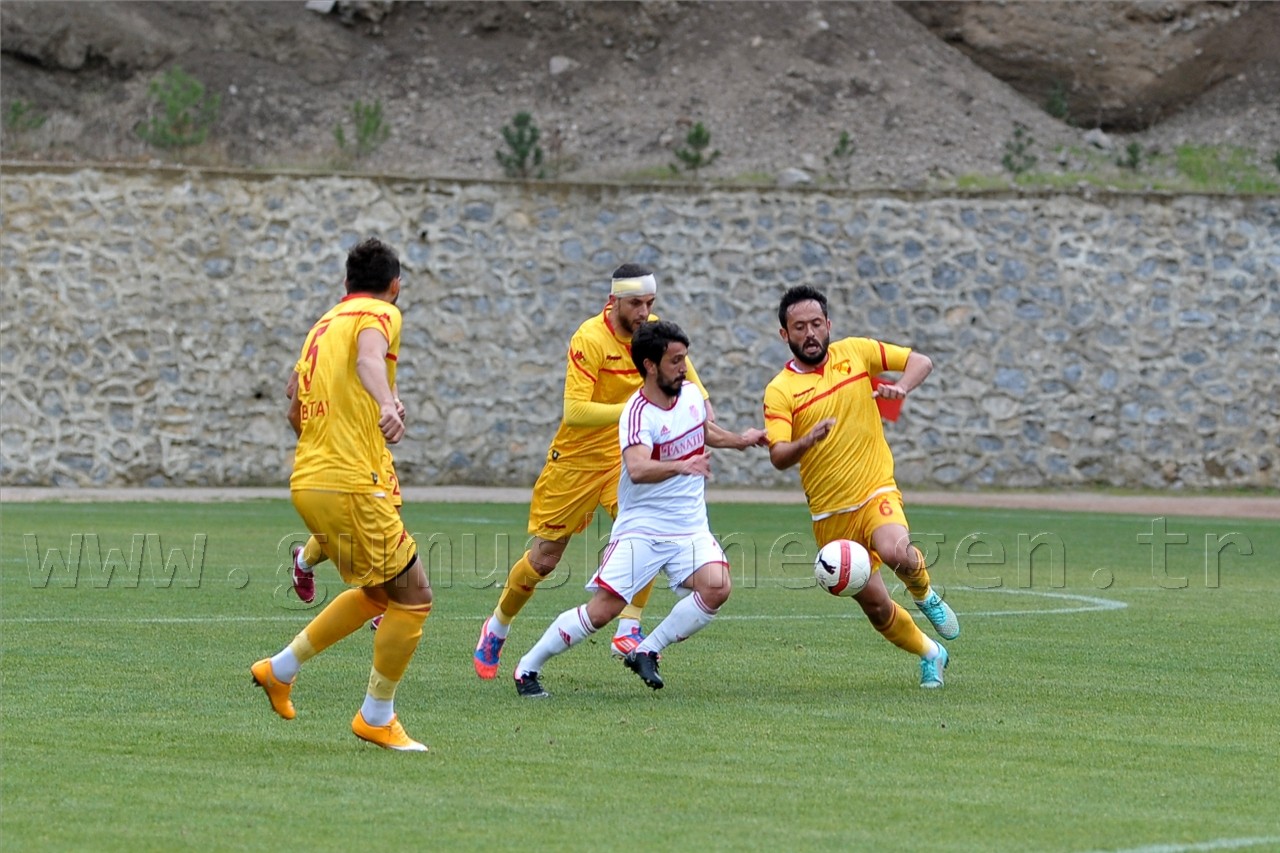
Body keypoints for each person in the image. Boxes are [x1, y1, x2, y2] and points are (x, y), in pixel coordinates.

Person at [473, 264, 761, 679]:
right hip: (575, 461)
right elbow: (574, 411)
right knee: (544, 559)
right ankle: (497, 625)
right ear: (614, 302)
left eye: (650, 303)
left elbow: (695, 391)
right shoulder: (589, 339)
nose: (645, 312)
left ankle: (628, 628)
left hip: (625, 460)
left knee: (643, 529)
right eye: (636, 304)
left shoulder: (657, 336)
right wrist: (635, 411)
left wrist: (712, 422)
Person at [251, 237, 433, 751]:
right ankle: (376, 716)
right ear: (394, 285)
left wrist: (328, 450)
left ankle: (279, 670)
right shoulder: (380, 314)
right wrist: (386, 404)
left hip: (309, 480)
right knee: (415, 599)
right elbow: (369, 358)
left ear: (345, 284)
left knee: (380, 593)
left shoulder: (321, 327)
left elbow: (293, 408)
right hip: (352, 482)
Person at [763, 285, 959, 689]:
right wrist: (807, 440)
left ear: (829, 324)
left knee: (895, 551)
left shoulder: (857, 351)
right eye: (799, 327)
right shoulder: (779, 391)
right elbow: (779, 456)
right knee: (876, 607)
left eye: (817, 323)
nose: (810, 333)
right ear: (785, 334)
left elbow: (921, 361)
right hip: (830, 517)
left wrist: (901, 387)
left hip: (875, 489)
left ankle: (925, 595)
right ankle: (930, 654)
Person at [284, 372, 403, 625]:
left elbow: (384, 375)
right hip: (347, 455)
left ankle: (385, 602)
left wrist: (393, 402)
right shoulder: (331, 339)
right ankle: (305, 561)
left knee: (391, 515)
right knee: (353, 526)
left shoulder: (375, 341)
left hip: (375, 451)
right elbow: (293, 392)